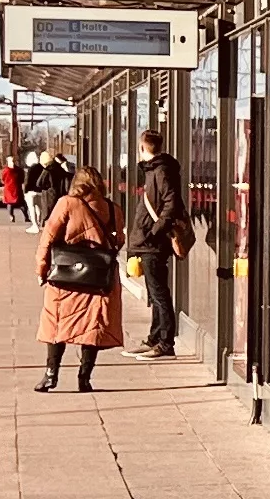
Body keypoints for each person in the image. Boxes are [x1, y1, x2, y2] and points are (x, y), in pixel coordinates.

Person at [35, 163, 126, 393]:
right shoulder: (113, 208)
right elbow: (119, 241)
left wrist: (41, 269)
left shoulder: (67, 203)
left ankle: (50, 375)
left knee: (56, 323)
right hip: (99, 278)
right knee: (91, 328)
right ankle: (84, 379)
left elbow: (48, 237)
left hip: (67, 275)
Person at [128, 127, 191, 357]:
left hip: (154, 242)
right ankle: (155, 337)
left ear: (143, 148)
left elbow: (170, 204)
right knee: (155, 293)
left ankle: (166, 342)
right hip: (148, 240)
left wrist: (153, 231)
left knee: (159, 293)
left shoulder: (161, 171)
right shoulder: (154, 170)